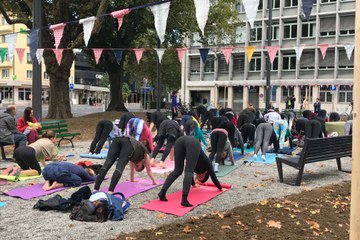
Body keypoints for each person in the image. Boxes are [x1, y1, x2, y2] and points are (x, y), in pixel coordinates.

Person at [158, 136, 222, 207]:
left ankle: (162, 192)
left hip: (180, 141)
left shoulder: (195, 169)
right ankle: (184, 200)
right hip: (193, 143)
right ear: (206, 173)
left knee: (178, 171)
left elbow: (190, 177)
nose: (198, 177)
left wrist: (193, 184)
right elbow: (214, 177)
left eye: (198, 178)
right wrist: (220, 188)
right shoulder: (208, 164)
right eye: (201, 177)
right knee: (188, 171)